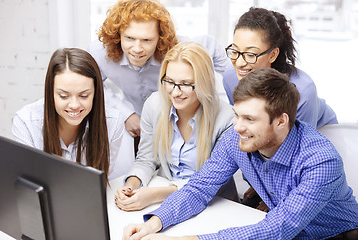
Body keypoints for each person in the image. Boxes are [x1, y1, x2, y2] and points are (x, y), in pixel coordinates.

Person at [122, 68, 358, 240]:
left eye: (249, 119)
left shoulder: (321, 160)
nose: (237, 127)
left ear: (281, 121)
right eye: (237, 115)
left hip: (337, 235)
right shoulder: (238, 139)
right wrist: (155, 223)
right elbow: (200, 187)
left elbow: (280, 228)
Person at [222, 7, 338, 210]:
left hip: (319, 131)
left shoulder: (303, 91)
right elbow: (253, 128)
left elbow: (293, 150)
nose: (240, 62)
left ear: (273, 54)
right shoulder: (231, 77)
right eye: (235, 51)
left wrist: (272, 200)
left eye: (250, 54)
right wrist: (259, 185)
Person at [114, 42, 235, 211]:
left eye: (186, 84)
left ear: (204, 83)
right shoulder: (155, 104)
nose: (175, 92)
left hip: (214, 205)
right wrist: (131, 185)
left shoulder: (228, 119)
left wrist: (154, 195)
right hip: (166, 200)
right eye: (169, 81)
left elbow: (209, 181)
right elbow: (145, 159)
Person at [88, 0, 229, 140]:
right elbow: (92, 86)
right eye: (129, 38)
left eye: (147, 40)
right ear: (118, 36)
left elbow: (211, 45)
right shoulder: (99, 53)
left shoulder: (177, 47)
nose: (137, 49)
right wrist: (126, 114)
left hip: (179, 123)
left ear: (160, 38)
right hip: (136, 125)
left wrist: (237, 99)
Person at [12, 48, 124, 185]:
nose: (74, 105)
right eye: (64, 96)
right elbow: (25, 184)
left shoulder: (112, 122)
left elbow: (100, 179)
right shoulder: (26, 121)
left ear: (96, 92)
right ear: (50, 91)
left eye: (84, 95)